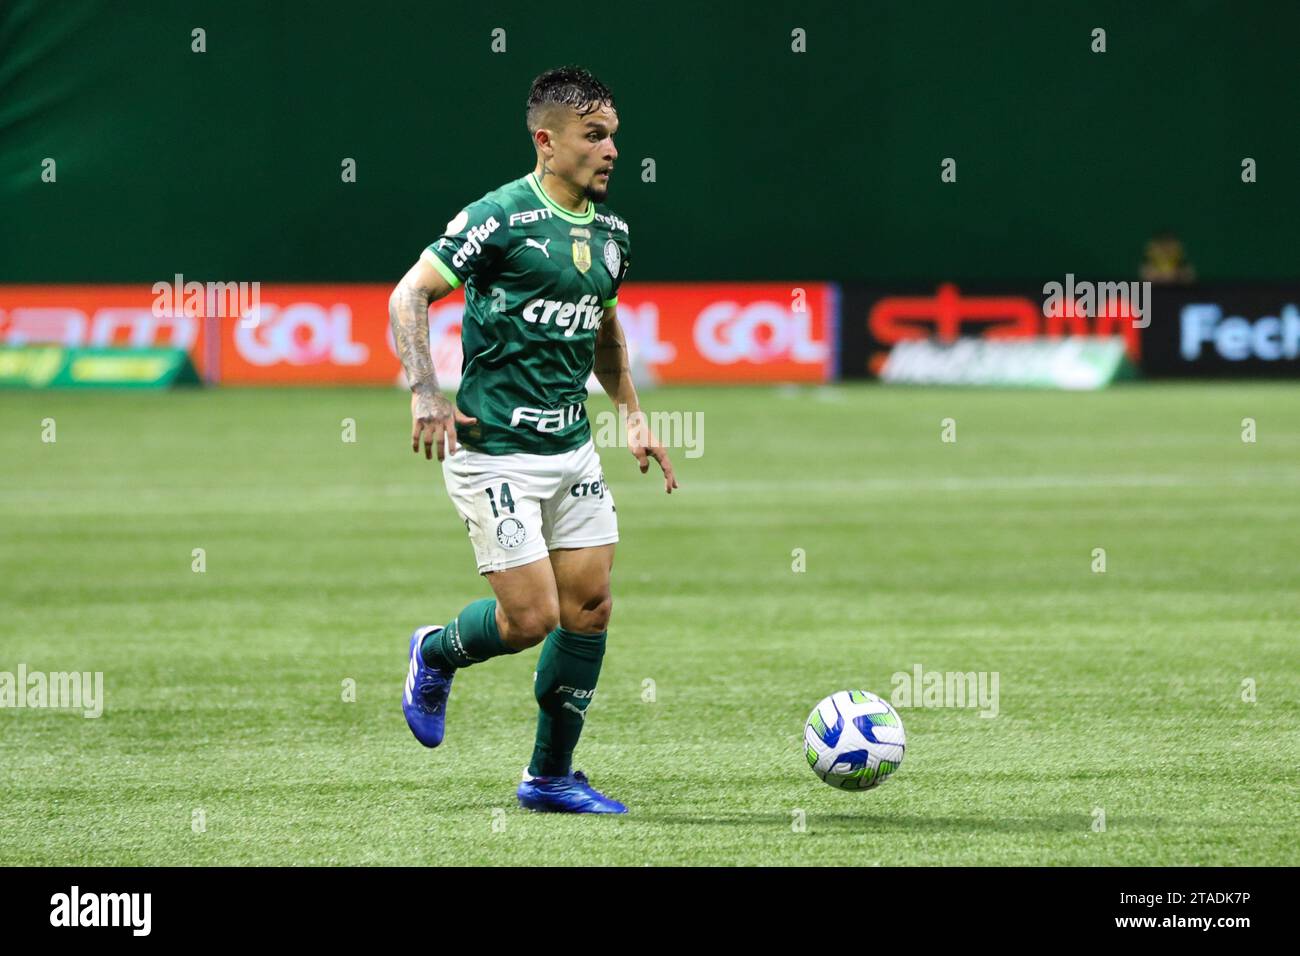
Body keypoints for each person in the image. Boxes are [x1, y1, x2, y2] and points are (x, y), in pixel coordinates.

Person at [387, 65, 677, 814]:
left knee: (590, 608)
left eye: (614, 135)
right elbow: (409, 293)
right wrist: (426, 391)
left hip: (571, 448)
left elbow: (603, 327)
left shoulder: (612, 234)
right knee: (530, 620)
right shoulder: (501, 217)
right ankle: (435, 650)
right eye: (594, 136)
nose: (611, 150)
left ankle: (549, 776)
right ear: (547, 142)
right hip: (494, 452)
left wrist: (632, 412)